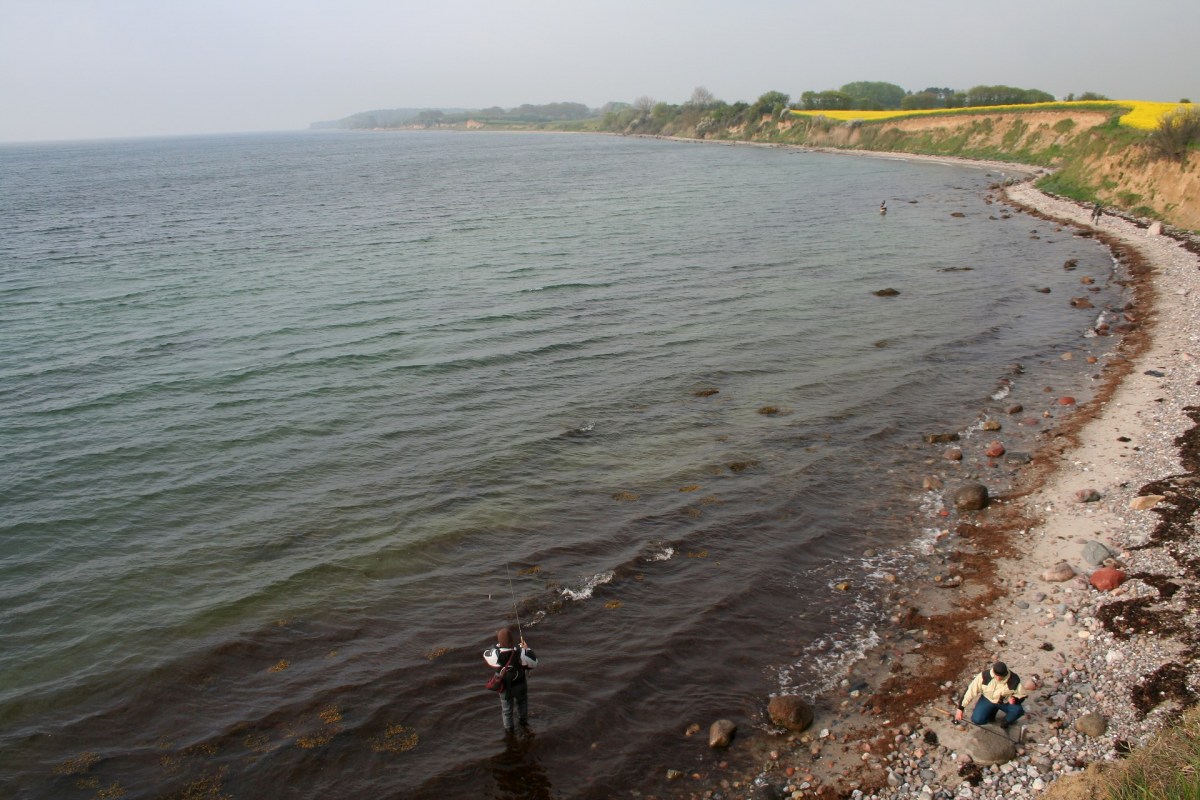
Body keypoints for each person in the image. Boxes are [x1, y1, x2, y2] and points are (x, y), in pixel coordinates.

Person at [483, 627, 538, 733]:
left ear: (499, 641)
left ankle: (509, 732)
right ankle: (523, 723)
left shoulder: (495, 655)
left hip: (505, 688)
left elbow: (486, 653)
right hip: (520, 685)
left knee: (507, 711)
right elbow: (534, 663)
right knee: (522, 703)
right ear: (512, 640)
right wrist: (527, 649)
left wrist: (497, 645)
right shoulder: (521, 652)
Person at [954, 661, 1038, 728]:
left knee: (1018, 710)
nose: (998, 678)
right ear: (993, 671)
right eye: (996, 675)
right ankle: (991, 714)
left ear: (1005, 674)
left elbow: (1022, 695)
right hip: (987, 699)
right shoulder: (984, 676)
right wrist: (960, 708)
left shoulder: (1014, 680)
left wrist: (1015, 699)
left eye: (1000, 676)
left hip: (1005, 702)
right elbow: (970, 691)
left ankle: (1005, 722)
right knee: (977, 720)